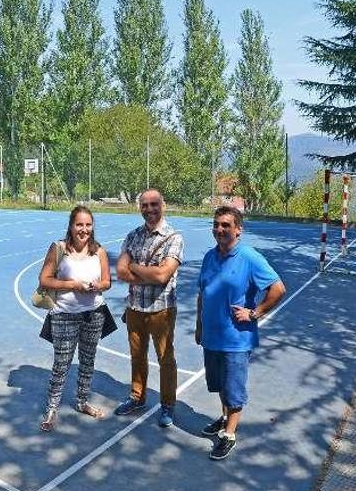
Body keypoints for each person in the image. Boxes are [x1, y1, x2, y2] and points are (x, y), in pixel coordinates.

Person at [196, 206, 286, 460]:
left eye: (226, 225)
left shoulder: (249, 257)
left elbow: (278, 288)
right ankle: (225, 419)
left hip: (236, 338)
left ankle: (229, 434)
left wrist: (255, 313)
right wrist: (199, 325)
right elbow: (202, 294)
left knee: (233, 387)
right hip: (212, 336)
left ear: (238, 230)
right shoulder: (209, 257)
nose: (220, 229)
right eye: (216, 224)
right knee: (220, 384)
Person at [38, 205, 112, 432]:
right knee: (62, 364)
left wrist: (97, 286)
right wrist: (73, 285)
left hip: (94, 314)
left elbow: (107, 282)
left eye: (88, 225)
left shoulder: (98, 251)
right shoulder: (59, 248)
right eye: (79, 224)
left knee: (88, 361)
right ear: (71, 226)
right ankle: (52, 408)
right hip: (64, 315)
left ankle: (82, 401)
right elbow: (45, 280)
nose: (84, 229)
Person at [115, 189, 184, 427]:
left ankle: (167, 404)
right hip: (135, 307)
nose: (149, 209)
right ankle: (137, 396)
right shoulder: (133, 235)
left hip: (161, 309)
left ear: (162, 205)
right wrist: (148, 273)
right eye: (145, 205)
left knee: (165, 359)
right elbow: (121, 272)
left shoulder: (173, 237)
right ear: (140, 208)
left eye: (154, 204)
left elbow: (163, 275)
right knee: (137, 356)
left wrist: (135, 267)